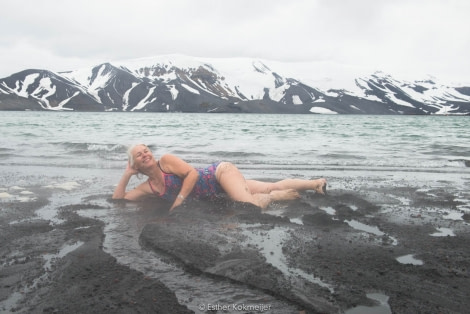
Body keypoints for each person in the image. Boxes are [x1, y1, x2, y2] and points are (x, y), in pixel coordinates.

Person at [113, 144, 327, 211]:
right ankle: (316, 183)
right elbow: (119, 200)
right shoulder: (148, 186)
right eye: (139, 154)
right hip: (220, 190)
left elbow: (193, 173)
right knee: (269, 186)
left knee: (248, 205)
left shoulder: (166, 161)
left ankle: (276, 198)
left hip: (220, 174)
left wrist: (178, 201)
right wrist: (126, 174)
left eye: (146, 150)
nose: (145, 153)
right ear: (135, 164)